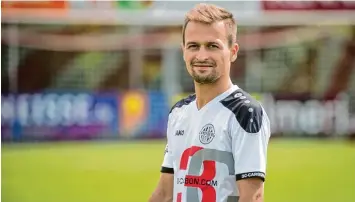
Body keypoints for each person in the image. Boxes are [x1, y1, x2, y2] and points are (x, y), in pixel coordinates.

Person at [149, 3, 271, 202]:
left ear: (233, 51)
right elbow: (164, 193)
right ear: (183, 51)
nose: (202, 55)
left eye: (212, 46)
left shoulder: (245, 112)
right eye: (193, 46)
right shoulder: (179, 113)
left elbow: (253, 196)